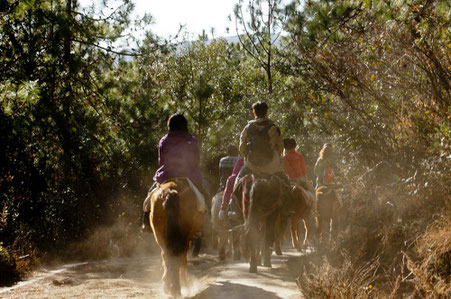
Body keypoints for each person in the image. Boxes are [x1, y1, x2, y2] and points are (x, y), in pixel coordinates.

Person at [142, 113, 207, 230]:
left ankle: (146, 222)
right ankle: (206, 226)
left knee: (149, 197)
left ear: (170, 126)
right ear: (185, 126)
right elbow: (196, 160)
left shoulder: (164, 140)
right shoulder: (192, 140)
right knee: (205, 197)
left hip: (167, 175)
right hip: (189, 176)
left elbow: (161, 161)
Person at [233, 101, 285, 187]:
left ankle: (232, 200)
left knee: (237, 183)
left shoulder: (247, 128)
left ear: (254, 112)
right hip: (272, 167)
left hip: (251, 167)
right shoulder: (274, 127)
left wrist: (247, 157)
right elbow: (280, 148)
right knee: (286, 184)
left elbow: (242, 149)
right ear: (266, 112)